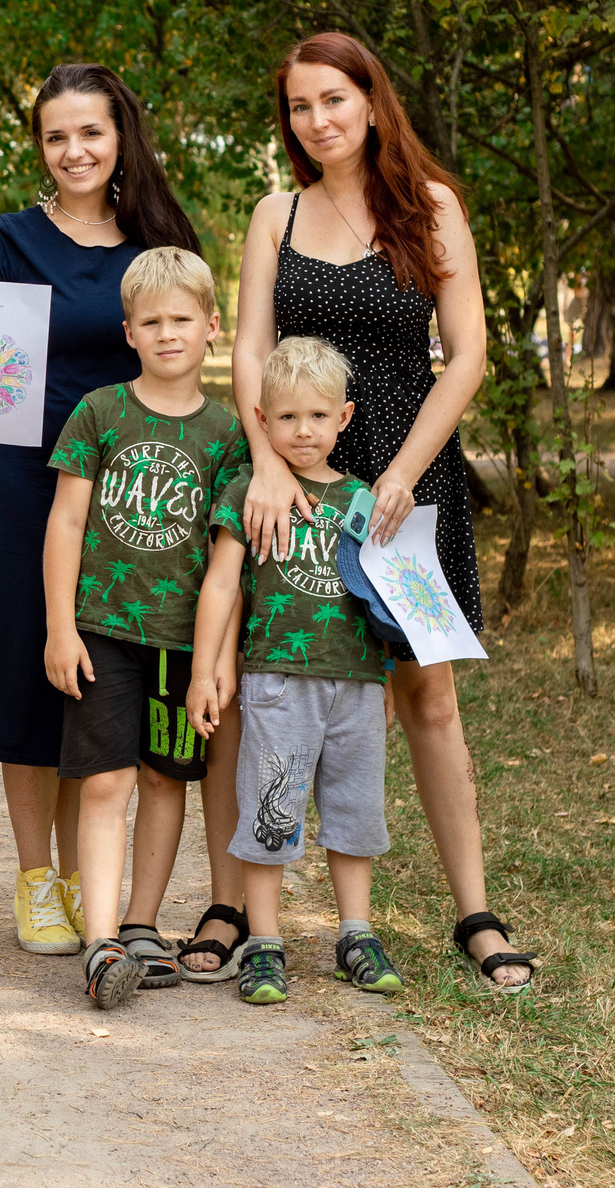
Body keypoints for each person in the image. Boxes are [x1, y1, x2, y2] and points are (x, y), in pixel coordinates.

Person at [226, 31, 535, 994]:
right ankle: (242, 908)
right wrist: (270, 463)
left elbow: (468, 353)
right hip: (298, 484)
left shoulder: (431, 206)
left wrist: (403, 473)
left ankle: (475, 914)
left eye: (333, 100)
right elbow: (247, 350)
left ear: (371, 100)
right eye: (299, 108)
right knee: (268, 679)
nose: (317, 121)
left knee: (426, 694)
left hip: (408, 483)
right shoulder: (275, 213)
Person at [0, 65, 205, 958]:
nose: (74, 151)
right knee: (23, 678)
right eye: (56, 136)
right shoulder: (8, 240)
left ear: (122, 138)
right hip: (18, 482)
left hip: (129, 493)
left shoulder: (159, 239)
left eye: (91, 133)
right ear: (40, 147)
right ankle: (36, 877)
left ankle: (85, 874)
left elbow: (183, 354)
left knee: (95, 681)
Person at [27, 247, 251, 1008]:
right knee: (106, 782)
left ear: (212, 326)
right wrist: (61, 627)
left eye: (182, 319)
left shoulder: (228, 435)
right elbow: (64, 522)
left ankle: (143, 924)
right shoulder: (99, 412)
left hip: (182, 642)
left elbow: (230, 560)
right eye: (150, 321)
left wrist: (212, 663)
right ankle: (99, 943)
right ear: (128, 331)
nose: (167, 333)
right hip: (104, 630)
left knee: (166, 778)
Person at [190, 335, 403, 1006]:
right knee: (271, 808)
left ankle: (357, 934)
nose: (302, 430)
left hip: (356, 682)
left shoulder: (364, 500)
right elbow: (221, 587)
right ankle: (264, 941)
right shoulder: (247, 492)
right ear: (261, 418)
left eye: (316, 415)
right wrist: (204, 672)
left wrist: (387, 678)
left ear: (343, 416)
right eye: (286, 417)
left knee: (355, 806)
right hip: (278, 677)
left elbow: (384, 599)